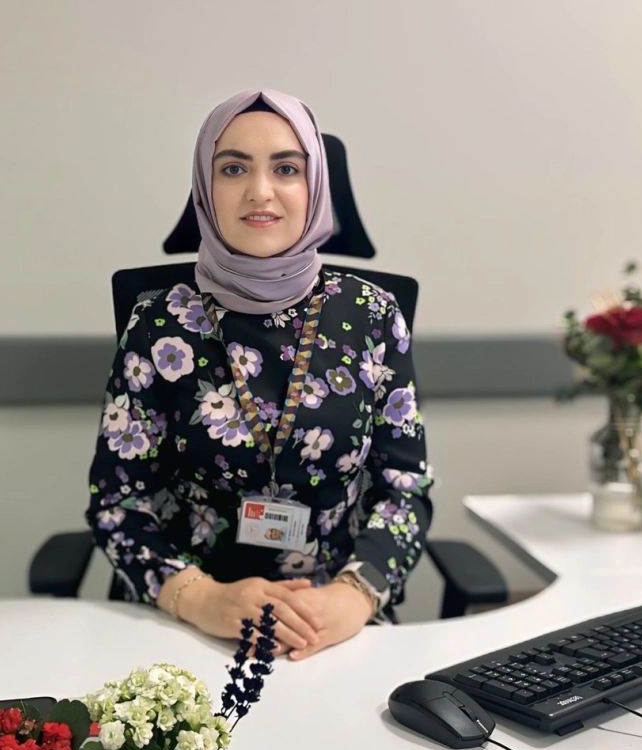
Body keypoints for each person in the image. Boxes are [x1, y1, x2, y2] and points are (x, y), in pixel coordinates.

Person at [86, 88, 433, 661]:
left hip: (331, 627)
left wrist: (352, 597)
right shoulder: (157, 323)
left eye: (286, 168)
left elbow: (405, 488)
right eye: (233, 168)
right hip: (190, 627)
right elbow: (118, 502)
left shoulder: (373, 315)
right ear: (205, 186)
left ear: (315, 185)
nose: (260, 191)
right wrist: (202, 598)